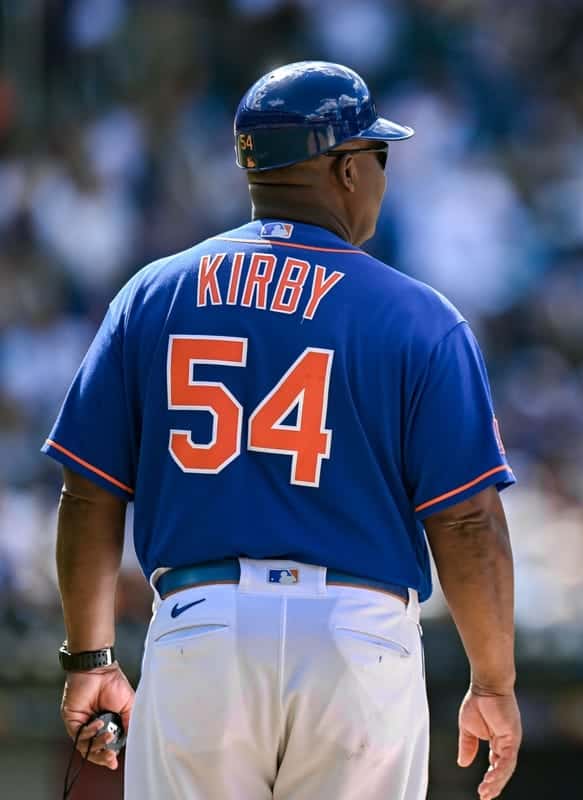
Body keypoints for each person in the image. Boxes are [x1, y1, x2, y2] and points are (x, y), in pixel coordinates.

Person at [45, 61, 521, 800]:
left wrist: (89, 658)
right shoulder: (417, 315)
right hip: (356, 638)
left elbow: (89, 493)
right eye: (377, 155)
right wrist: (493, 681)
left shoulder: (155, 293)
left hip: (201, 627)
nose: (382, 175)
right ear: (344, 168)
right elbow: (465, 521)